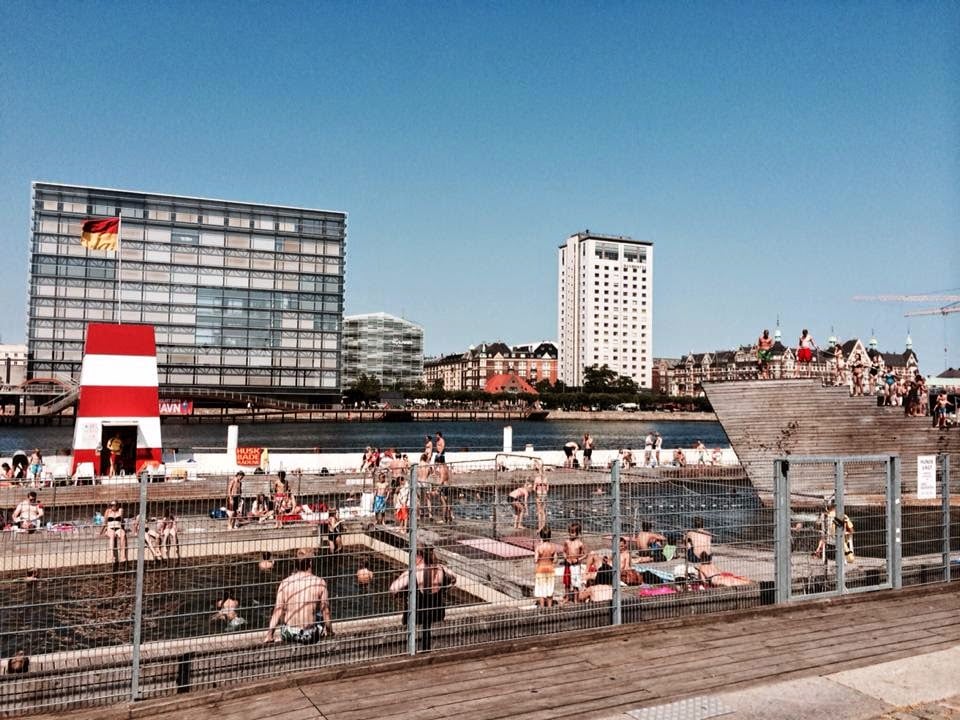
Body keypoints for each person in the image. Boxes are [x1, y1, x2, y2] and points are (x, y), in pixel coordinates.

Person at [389, 545, 455, 651]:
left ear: (419, 556)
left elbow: (393, 589)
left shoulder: (413, 572)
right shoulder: (441, 568)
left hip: (417, 615)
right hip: (437, 613)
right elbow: (454, 579)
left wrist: (403, 593)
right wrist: (444, 589)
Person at [265, 548, 333, 643]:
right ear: (310, 563)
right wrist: (330, 631)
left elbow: (277, 611)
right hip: (309, 635)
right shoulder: (319, 582)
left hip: (288, 634)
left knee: (283, 610)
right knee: (320, 614)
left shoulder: (285, 582)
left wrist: (269, 635)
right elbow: (326, 611)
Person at [533, 526, 557, 608]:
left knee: (541, 590)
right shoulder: (553, 547)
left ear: (541, 536)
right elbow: (555, 560)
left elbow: (535, 560)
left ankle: (542, 607)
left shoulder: (539, 547)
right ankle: (550, 607)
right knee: (549, 589)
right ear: (550, 536)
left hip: (541, 569)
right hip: (550, 569)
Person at [562, 521, 586, 602]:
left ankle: (576, 599)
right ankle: (567, 597)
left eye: (573, 532)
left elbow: (585, 554)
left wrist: (578, 559)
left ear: (578, 533)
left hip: (576, 565)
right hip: (568, 565)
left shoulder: (580, 543)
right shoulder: (567, 542)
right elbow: (564, 552)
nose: (571, 534)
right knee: (567, 583)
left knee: (576, 584)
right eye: (570, 532)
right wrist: (566, 558)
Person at [532, 460, 549, 531]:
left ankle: (539, 528)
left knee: (539, 512)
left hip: (539, 493)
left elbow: (533, 488)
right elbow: (548, 488)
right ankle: (543, 527)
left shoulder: (537, 479)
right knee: (543, 512)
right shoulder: (546, 478)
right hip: (544, 494)